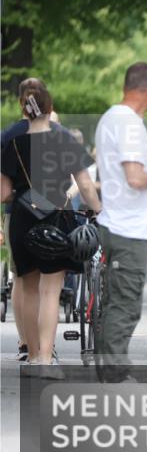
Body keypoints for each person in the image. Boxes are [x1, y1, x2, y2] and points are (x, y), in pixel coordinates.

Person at [0, 78, 102, 378]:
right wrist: (98, 210)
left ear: (23, 104)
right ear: (49, 106)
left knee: (28, 288)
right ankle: (46, 357)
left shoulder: (9, 137)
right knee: (51, 292)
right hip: (55, 216)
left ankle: (31, 356)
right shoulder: (64, 137)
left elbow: (4, 191)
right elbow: (84, 183)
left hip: (21, 217)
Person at [94, 62, 147, 383]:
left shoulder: (110, 118)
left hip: (117, 222)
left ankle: (109, 369)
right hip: (129, 227)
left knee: (113, 302)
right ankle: (115, 376)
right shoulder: (130, 124)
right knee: (124, 304)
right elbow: (135, 178)